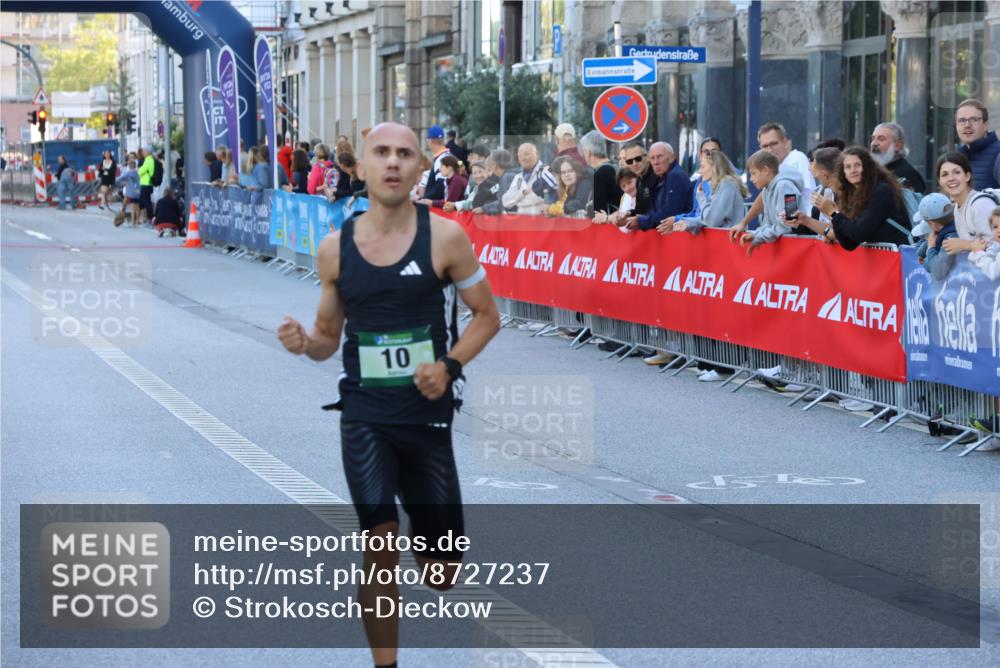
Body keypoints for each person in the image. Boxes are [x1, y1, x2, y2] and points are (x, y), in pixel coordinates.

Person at [276, 122, 500, 668]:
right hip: (365, 414)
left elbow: (487, 317)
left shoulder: (445, 237)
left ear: (421, 167)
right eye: (382, 152)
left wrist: (448, 366)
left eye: (405, 154)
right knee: (379, 542)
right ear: (363, 166)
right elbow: (328, 338)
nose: (393, 162)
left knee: (443, 572)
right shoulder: (335, 249)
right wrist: (307, 343)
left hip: (426, 417)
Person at [812, 146, 910, 250]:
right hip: (882, 259)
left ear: (867, 167)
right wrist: (834, 214)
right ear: (843, 172)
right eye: (848, 167)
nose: (853, 170)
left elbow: (860, 234)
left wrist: (833, 213)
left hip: (900, 258)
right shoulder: (853, 194)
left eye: (857, 165)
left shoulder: (881, 191)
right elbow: (849, 244)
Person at [735, 122, 816, 233]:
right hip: (788, 232)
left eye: (773, 144)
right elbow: (764, 197)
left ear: (785, 143)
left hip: (804, 231)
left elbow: (789, 218)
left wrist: (745, 224)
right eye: (765, 146)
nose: (769, 150)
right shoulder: (775, 171)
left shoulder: (796, 158)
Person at [731, 150, 803, 254]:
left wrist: (759, 237)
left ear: (765, 170)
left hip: (795, 251)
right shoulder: (766, 191)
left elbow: (788, 225)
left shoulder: (785, 187)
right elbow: (769, 223)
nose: (751, 179)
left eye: (753, 173)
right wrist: (756, 234)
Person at [664, 149, 748, 235]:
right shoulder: (724, 185)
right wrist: (688, 223)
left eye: (702, 167)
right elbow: (709, 218)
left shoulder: (726, 185)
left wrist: (701, 197)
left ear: (714, 167)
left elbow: (711, 220)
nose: (700, 171)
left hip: (728, 242)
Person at [936, 151, 996, 254]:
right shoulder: (956, 208)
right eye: (945, 174)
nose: (951, 178)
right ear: (940, 181)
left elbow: (996, 243)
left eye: (957, 172)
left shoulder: (980, 204)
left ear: (967, 176)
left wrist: (965, 245)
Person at [625, 142, 692, 231]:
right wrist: (630, 215)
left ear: (671, 157)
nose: (656, 162)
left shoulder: (675, 175)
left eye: (660, 157)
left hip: (681, 236)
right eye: (652, 158)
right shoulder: (663, 177)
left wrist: (641, 221)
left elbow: (669, 213)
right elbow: (656, 210)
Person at [670, 137, 723, 228]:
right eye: (706, 152)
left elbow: (711, 218)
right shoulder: (700, 181)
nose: (710, 155)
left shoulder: (726, 181)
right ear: (700, 155)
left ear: (721, 155)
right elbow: (696, 212)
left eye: (714, 152)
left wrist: (679, 220)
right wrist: (679, 219)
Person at [955, 98, 1000, 190]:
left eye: (974, 120)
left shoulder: (998, 154)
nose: (967, 125)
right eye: (962, 120)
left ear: (985, 125)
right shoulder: (957, 157)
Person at [915, 193, 960, 280]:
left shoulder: (950, 238)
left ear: (932, 223)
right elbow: (919, 252)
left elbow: (938, 271)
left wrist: (930, 248)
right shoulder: (950, 229)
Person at [871, 122, 926, 193]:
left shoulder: (908, 175)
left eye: (881, 139)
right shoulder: (871, 171)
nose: (874, 143)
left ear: (897, 145)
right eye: (873, 139)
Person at [579, 130, 621, 215]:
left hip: (610, 224)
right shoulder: (616, 165)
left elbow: (599, 210)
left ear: (588, 152)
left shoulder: (601, 173)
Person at [501, 143, 547, 215]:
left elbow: (542, 197)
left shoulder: (546, 171)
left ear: (537, 154)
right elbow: (505, 201)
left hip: (540, 220)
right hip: (522, 221)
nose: (523, 158)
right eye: (520, 156)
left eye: (526, 154)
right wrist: (522, 193)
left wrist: (517, 200)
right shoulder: (518, 177)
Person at [620, 141, 657, 214]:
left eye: (638, 159)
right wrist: (627, 213)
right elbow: (640, 210)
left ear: (647, 157)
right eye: (629, 161)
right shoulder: (639, 180)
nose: (634, 164)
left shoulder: (658, 175)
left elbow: (659, 212)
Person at [480, 149, 517, 215]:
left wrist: (484, 208)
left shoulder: (508, 177)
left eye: (491, 163)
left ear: (495, 165)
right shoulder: (508, 176)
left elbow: (506, 203)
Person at [968, 207, 1000, 279]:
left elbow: (993, 272)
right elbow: (972, 259)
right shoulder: (995, 247)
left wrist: (979, 252)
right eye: (995, 227)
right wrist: (977, 250)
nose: (999, 230)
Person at [424, 125, 453, 202]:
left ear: (430, 141)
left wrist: (425, 199)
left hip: (439, 208)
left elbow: (441, 186)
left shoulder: (441, 159)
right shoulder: (449, 155)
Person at [114, 158, 141, 226]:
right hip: (137, 192)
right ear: (135, 166)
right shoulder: (137, 173)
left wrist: (113, 180)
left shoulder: (128, 173)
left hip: (131, 193)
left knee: (132, 207)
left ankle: (132, 221)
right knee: (137, 206)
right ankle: (137, 220)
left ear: (129, 166)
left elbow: (120, 178)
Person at [138, 146, 155, 222]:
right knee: (143, 201)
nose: (143, 153)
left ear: (148, 152)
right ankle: (144, 218)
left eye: (144, 151)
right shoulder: (149, 159)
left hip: (146, 184)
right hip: (146, 184)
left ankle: (150, 219)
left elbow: (140, 171)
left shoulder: (148, 160)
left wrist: (139, 170)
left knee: (147, 203)